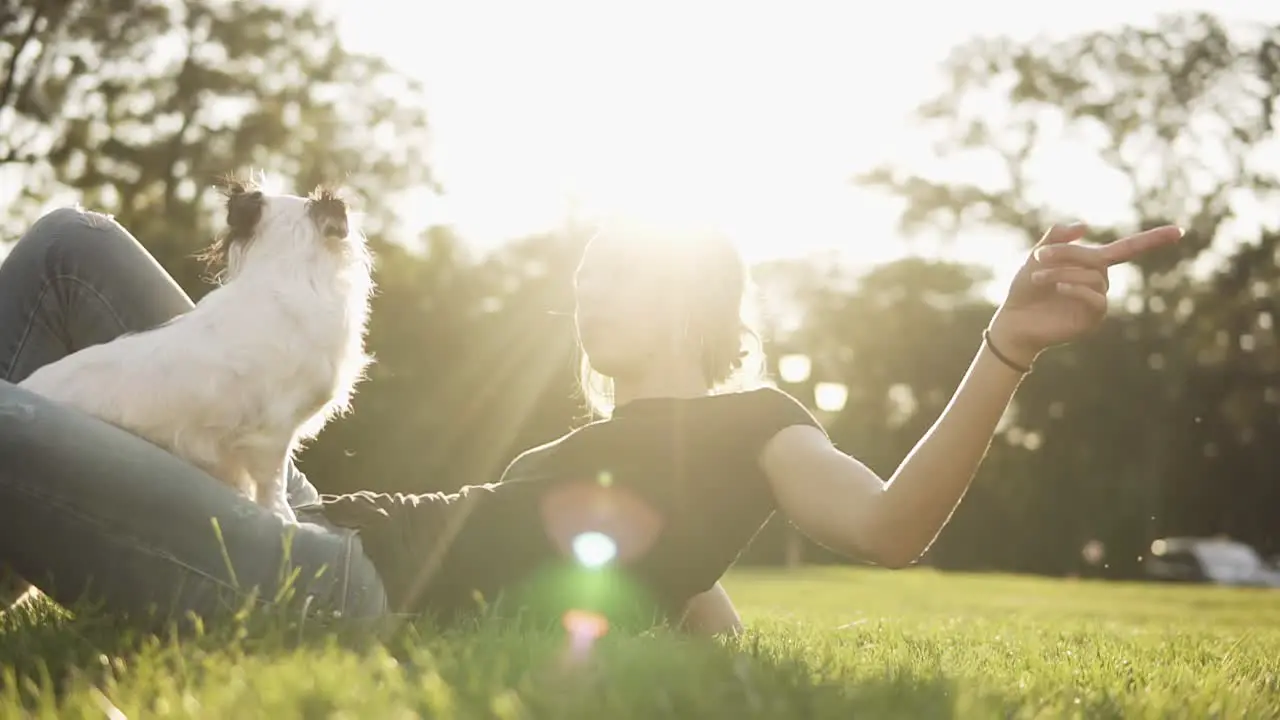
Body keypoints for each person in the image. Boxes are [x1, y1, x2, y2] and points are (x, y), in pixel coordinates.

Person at [0, 206, 1181, 636]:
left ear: (693, 296)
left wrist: (1003, 348)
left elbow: (884, 528)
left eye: (615, 268)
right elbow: (688, 611)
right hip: (304, 512)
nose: (583, 288)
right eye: (583, 274)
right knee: (69, 249)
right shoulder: (572, 465)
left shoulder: (753, 427)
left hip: (328, 585)